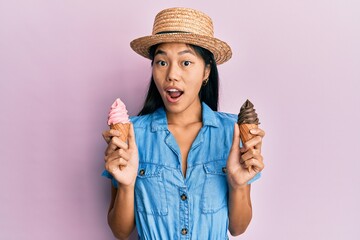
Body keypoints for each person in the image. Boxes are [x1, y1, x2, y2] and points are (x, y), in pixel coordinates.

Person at [102, 7, 265, 239]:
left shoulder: (233, 132)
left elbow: (237, 228)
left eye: (186, 63)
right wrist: (127, 186)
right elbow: (120, 231)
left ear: (207, 70)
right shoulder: (130, 134)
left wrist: (238, 185)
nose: (171, 75)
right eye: (161, 62)